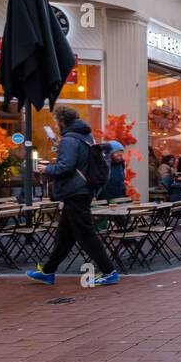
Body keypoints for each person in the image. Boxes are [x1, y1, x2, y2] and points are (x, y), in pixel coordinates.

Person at [26, 106, 120, 287]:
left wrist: (47, 169)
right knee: (65, 236)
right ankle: (48, 272)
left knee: (86, 234)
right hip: (82, 190)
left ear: (62, 121)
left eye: (56, 121)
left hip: (76, 192)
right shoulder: (85, 137)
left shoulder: (69, 140)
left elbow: (65, 166)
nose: (55, 123)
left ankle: (109, 272)